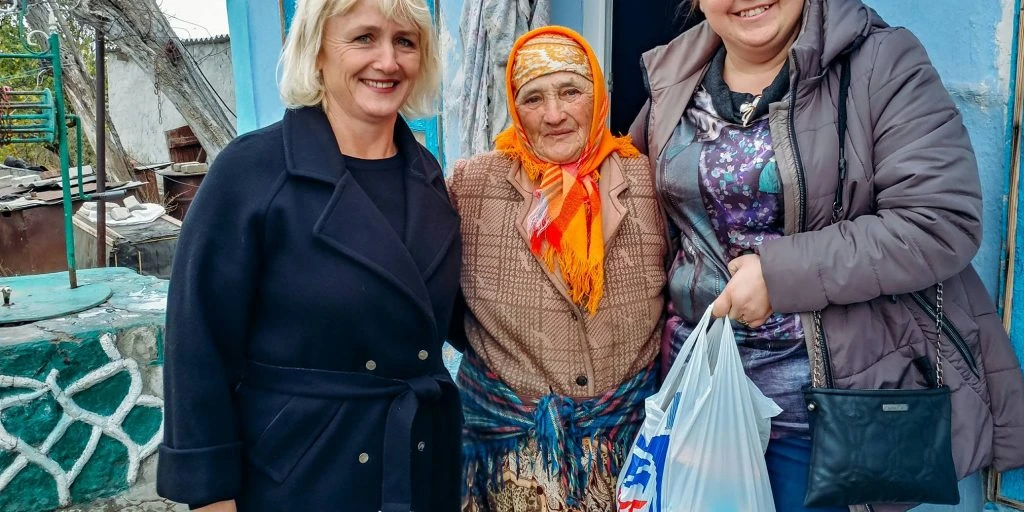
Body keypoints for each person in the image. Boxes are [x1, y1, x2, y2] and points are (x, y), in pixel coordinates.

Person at [629, 0, 1024, 510]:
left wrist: (778, 276)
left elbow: (940, 220)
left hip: (820, 417)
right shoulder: (674, 77)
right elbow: (634, 206)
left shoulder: (880, 62)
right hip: (696, 400)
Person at [155, 0, 463, 510]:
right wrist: (210, 495)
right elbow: (197, 344)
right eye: (364, 38)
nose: (388, 61)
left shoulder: (427, 175)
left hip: (420, 464)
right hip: (304, 474)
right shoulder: (251, 172)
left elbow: (457, 315)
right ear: (317, 50)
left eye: (405, 42)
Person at [447, 26, 667, 512]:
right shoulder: (473, 185)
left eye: (571, 92)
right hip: (511, 461)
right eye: (533, 98)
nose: (554, 114)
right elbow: (438, 295)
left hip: (631, 452)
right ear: (515, 107)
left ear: (598, 95)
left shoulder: (648, 178)